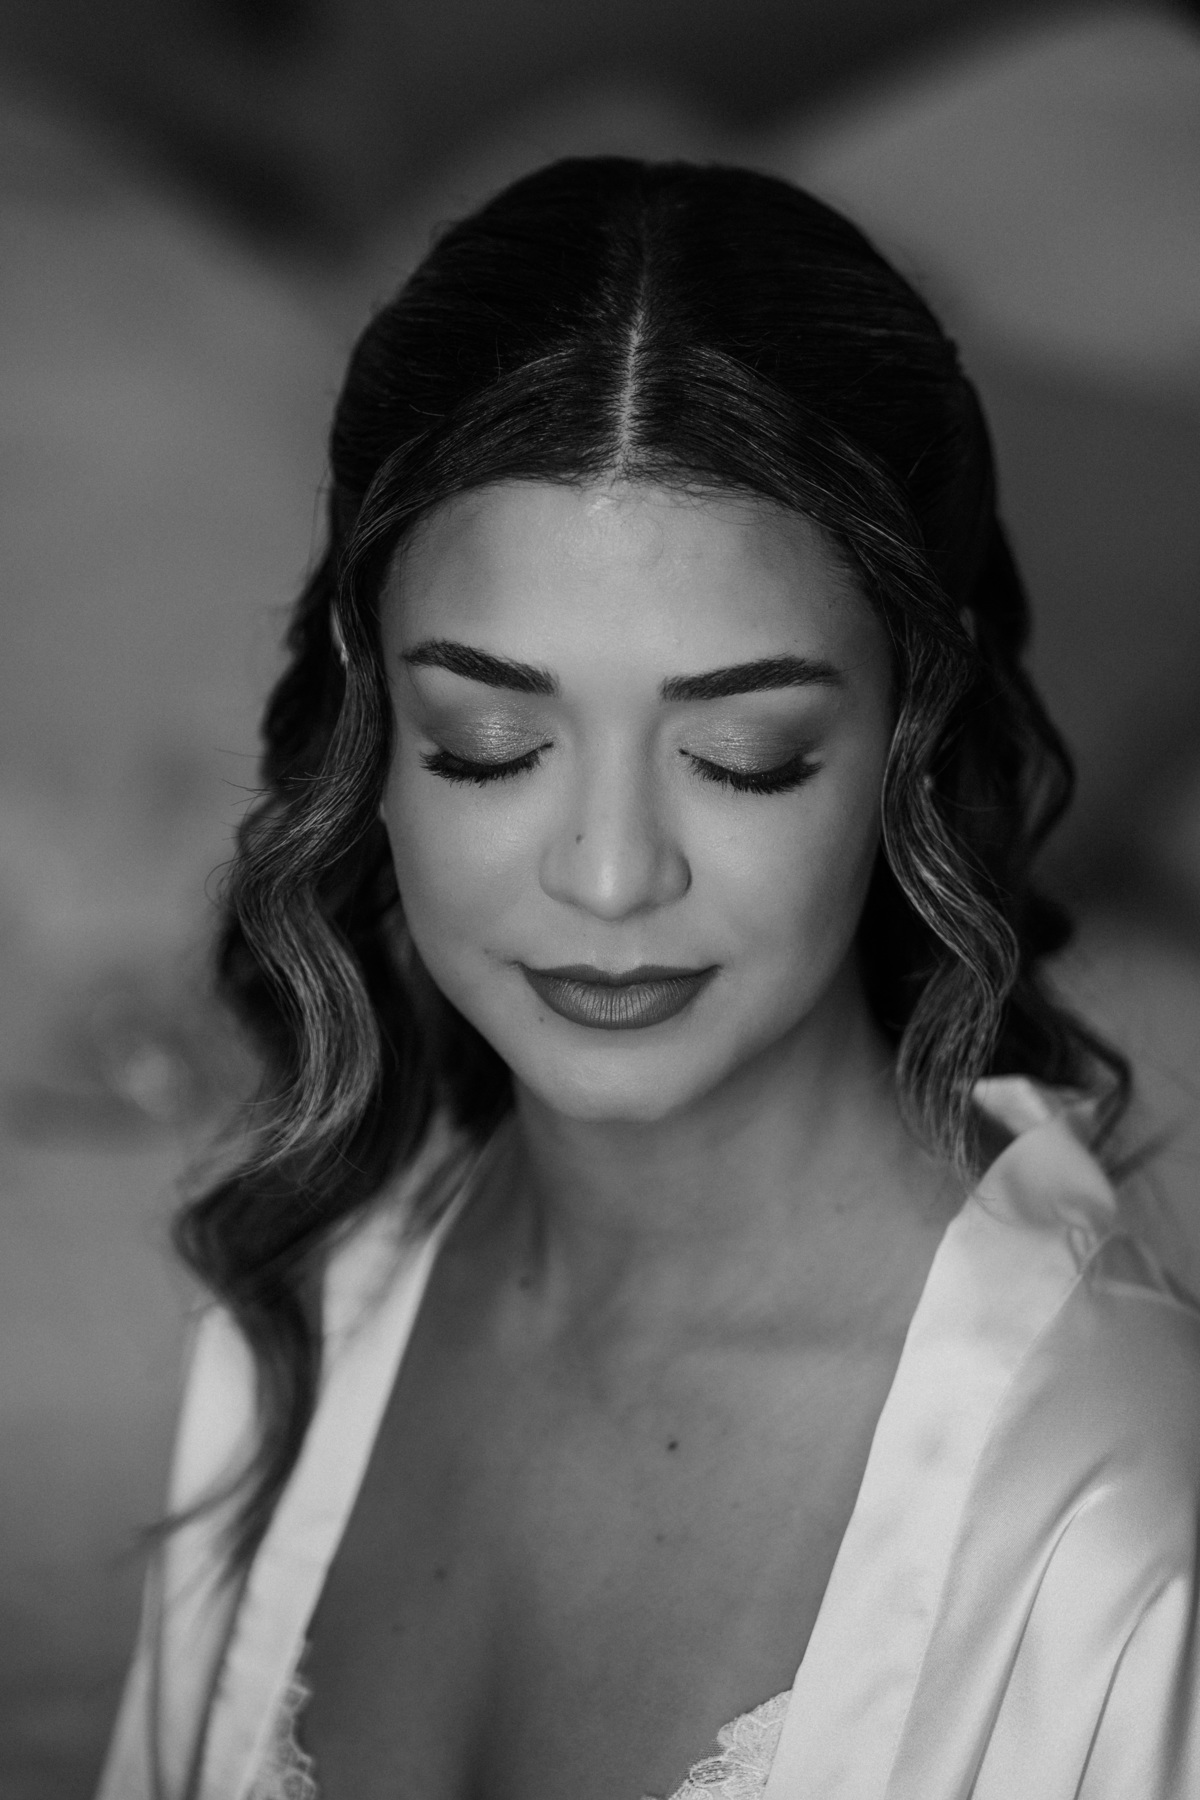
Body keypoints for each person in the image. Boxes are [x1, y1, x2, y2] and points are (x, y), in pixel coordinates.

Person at [97, 158, 1200, 1800]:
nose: (612, 877)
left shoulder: (1118, 1534)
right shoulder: (310, 1301)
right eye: (489, 742)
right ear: (367, 715)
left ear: (913, 736)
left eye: (746, 754)